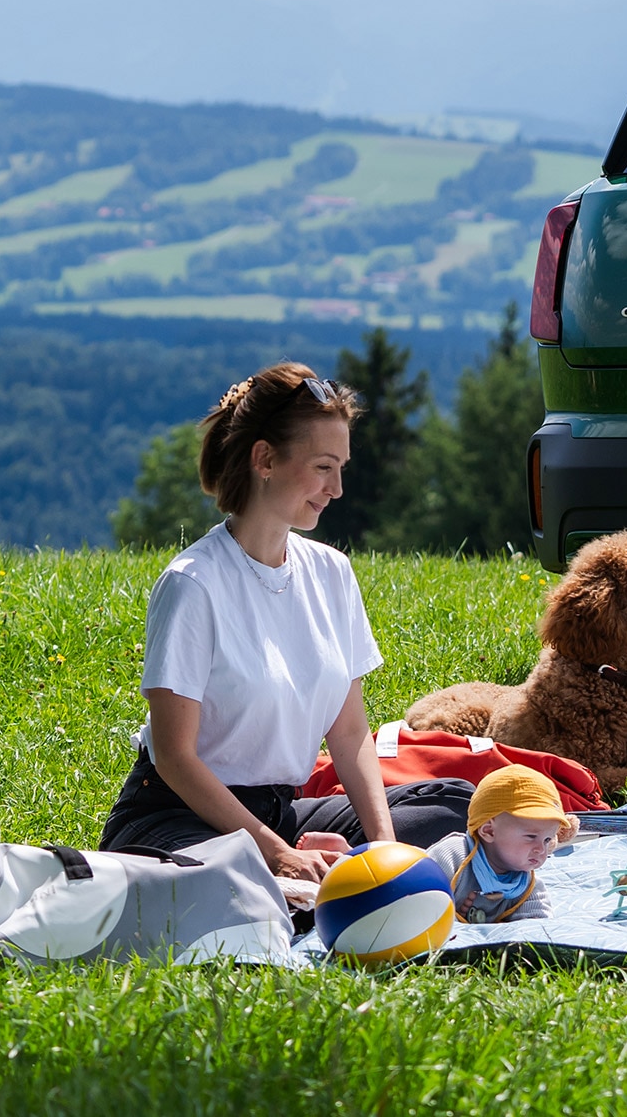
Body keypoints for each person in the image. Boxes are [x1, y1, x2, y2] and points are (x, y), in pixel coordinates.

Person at [99, 364, 470, 879]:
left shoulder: (332, 573)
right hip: (179, 819)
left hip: (277, 813)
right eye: (323, 467)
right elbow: (173, 757)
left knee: (453, 805)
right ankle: (294, 881)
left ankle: (328, 877)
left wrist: (387, 853)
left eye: (341, 467)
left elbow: (350, 731)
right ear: (265, 459)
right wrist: (278, 854)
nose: (337, 488)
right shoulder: (193, 583)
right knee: (235, 880)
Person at [426, 764, 579, 923]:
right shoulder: (450, 856)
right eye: (531, 836)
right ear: (489, 831)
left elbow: (537, 930)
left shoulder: (526, 886)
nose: (541, 849)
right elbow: (418, 898)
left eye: (548, 839)